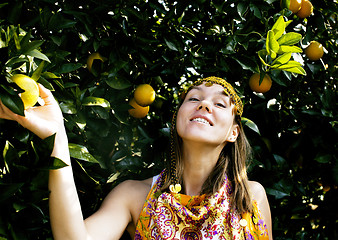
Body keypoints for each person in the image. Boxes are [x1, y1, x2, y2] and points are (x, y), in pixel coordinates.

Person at [0, 76, 272, 239]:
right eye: (193, 98)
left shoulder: (250, 197)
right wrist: (56, 136)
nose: (204, 104)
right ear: (178, 117)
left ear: (234, 132)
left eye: (220, 103)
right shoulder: (135, 196)